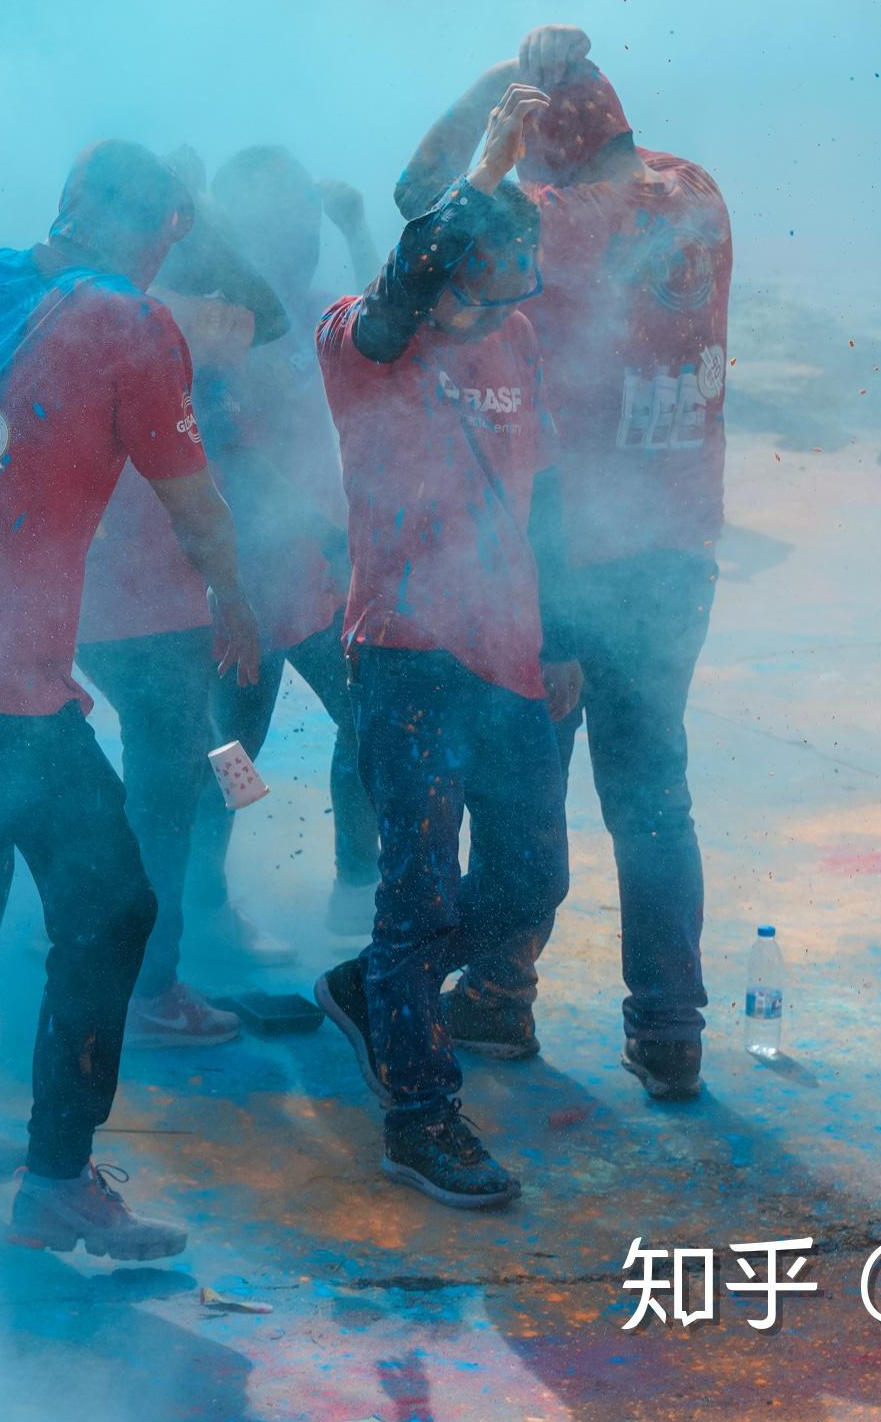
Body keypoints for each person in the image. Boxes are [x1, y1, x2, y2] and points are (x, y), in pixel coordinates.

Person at [0, 141, 251, 1258]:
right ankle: (58, 1177)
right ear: (167, 229)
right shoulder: (133, 325)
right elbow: (193, 502)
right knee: (115, 906)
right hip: (0, 690)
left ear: (69, 201)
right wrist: (232, 597)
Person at [395, 29, 730, 1102]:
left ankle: (496, 990)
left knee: (522, 790)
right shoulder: (698, 193)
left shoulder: (553, 223)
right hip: (678, 549)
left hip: (569, 560)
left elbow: (418, 202)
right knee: (654, 793)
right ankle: (669, 1027)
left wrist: (494, 80)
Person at [312, 84, 573, 1209]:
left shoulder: (513, 335)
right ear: (441, 272)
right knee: (416, 899)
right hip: (408, 647)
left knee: (528, 878)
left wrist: (559, 633)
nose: (495, 310)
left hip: (509, 651)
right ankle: (419, 1113)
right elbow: (407, 282)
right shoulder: (363, 340)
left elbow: (547, 493)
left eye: (514, 285)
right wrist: (490, 154)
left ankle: (379, 988)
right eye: (480, 285)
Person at [73, 199, 287, 1049]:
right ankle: (150, 985)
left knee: (191, 769)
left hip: (103, 605)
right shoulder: (162, 348)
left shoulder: (105, 328)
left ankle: (168, 939)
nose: (250, 337)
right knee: (171, 789)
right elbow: (213, 500)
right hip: (146, 614)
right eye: (238, 323)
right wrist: (235, 595)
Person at [175, 148, 374, 936]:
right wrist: (329, 536)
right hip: (247, 580)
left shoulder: (304, 302)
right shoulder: (220, 315)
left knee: (366, 718)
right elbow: (231, 455)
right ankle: (201, 899)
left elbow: (394, 319)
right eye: (285, 207)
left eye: (307, 204)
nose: (305, 222)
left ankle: (358, 888)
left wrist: (359, 229)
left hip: (314, 575)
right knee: (229, 750)